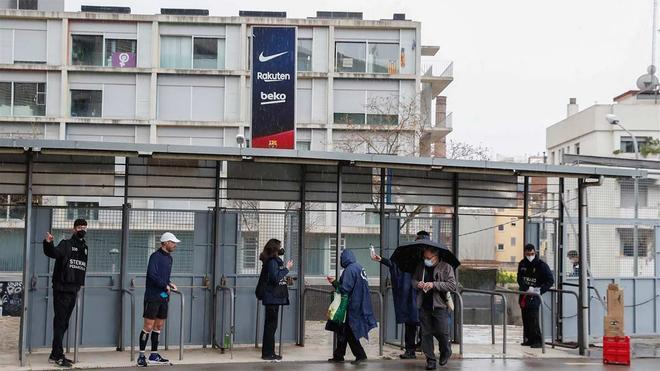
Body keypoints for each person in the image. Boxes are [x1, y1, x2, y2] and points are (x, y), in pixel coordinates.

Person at [371, 230, 430, 359]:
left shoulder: (411, 253)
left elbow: (395, 265)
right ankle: (418, 347)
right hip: (421, 295)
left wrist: (382, 260)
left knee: (413, 322)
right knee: (420, 321)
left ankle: (412, 349)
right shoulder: (430, 255)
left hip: (413, 295)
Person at [43, 218, 89, 368]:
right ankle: (58, 355)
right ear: (74, 229)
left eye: (85, 227)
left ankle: (54, 354)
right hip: (62, 289)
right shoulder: (66, 244)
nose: (83, 229)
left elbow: (80, 269)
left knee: (64, 324)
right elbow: (53, 253)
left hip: (73, 290)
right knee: (60, 322)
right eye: (80, 227)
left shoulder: (85, 248)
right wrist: (48, 243)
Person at [137, 232, 180, 367]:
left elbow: (164, 276)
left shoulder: (169, 258)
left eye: (174, 243)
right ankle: (141, 356)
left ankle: (154, 355)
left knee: (158, 326)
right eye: (172, 243)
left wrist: (169, 283)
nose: (174, 245)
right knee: (148, 326)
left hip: (163, 297)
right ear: (165, 243)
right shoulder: (155, 257)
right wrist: (164, 285)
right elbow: (152, 275)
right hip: (152, 296)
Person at [327, 249, 377, 365]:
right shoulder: (359, 267)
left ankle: (360, 355)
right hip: (360, 302)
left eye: (341, 258)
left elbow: (345, 288)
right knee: (343, 330)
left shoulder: (349, 270)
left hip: (351, 305)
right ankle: (339, 355)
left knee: (348, 330)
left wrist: (334, 282)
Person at [412, 246, 457, 370]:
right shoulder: (421, 266)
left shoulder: (446, 267)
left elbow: (452, 285)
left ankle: (445, 351)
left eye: (428, 258)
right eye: (424, 257)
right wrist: (418, 284)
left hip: (440, 305)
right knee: (426, 334)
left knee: (442, 332)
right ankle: (430, 359)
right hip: (424, 305)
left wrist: (434, 285)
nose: (426, 259)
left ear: (436, 256)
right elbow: (413, 281)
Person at [258, 238, 293, 361]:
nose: (281, 249)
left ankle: (269, 352)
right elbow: (275, 278)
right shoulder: (272, 262)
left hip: (273, 297)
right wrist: (287, 268)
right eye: (279, 247)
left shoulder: (271, 261)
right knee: (271, 326)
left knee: (271, 326)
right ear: (275, 249)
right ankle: (268, 353)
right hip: (272, 298)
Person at [517, 243, 554, 349]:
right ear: (524, 253)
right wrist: (525, 288)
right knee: (525, 317)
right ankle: (529, 339)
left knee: (533, 317)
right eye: (527, 254)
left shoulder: (541, 265)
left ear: (535, 252)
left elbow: (550, 280)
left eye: (532, 253)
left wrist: (540, 290)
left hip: (535, 295)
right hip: (524, 294)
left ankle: (538, 340)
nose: (530, 255)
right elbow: (519, 278)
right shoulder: (522, 264)